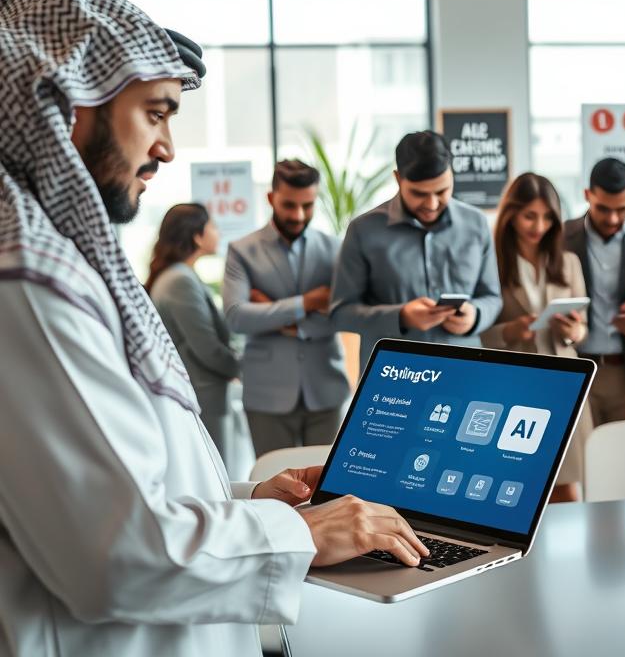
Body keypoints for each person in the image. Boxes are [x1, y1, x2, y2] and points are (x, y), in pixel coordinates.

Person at [0, 0, 427, 656]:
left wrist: (251, 501)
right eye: (157, 112)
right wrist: (308, 533)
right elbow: (121, 553)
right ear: (65, 99)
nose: (167, 147)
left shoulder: (57, 262)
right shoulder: (29, 283)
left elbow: (125, 488)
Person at [330, 130, 503, 369]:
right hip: (393, 376)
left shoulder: (477, 223)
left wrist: (475, 316)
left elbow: (492, 297)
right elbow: (341, 313)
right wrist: (400, 317)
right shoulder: (362, 230)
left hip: (464, 372)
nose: (432, 204)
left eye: (442, 191)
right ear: (398, 178)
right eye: (419, 194)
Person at [222, 159, 351, 456]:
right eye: (289, 205)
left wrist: (275, 317)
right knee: (272, 489)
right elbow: (236, 316)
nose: (298, 215)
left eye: (307, 205)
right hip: (266, 394)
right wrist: (308, 302)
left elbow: (346, 315)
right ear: (270, 198)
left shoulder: (336, 249)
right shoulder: (242, 251)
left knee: (325, 489)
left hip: (326, 390)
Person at [481, 172, 594, 502]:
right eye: (530, 215)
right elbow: (480, 332)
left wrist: (575, 331)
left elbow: (583, 327)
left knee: (569, 488)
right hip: (517, 385)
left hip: (565, 383)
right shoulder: (493, 265)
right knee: (516, 488)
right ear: (511, 214)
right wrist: (512, 330)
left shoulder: (568, 262)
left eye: (547, 217)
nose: (538, 225)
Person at [564, 157, 625, 425]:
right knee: (581, 463)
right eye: (603, 208)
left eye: (622, 209)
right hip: (578, 369)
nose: (613, 218)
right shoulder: (562, 238)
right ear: (587, 195)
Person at [147, 203, 240, 459]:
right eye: (213, 226)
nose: (218, 233)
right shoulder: (180, 280)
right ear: (197, 236)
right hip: (203, 395)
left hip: (202, 393)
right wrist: (243, 368)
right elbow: (207, 348)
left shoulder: (180, 275)